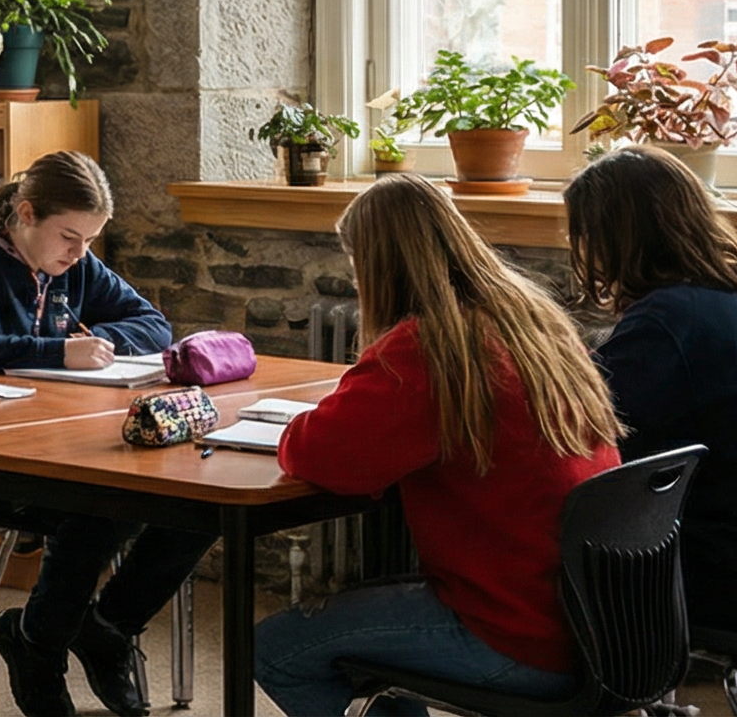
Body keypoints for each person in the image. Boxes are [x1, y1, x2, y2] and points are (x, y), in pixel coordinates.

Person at [256, 174, 623, 716]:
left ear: (376, 266)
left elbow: (320, 456)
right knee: (369, 628)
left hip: (514, 628)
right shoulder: (531, 320)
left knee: (277, 650)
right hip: (594, 619)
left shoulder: (428, 349)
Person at [0, 150, 205, 717]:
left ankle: (102, 628)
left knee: (187, 500)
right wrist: (58, 351)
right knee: (95, 510)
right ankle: (42, 653)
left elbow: (152, 323)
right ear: (25, 213)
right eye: (70, 237)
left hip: (45, 441)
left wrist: (97, 342)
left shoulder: (73, 266)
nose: (79, 253)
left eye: (89, 241)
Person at [570, 145, 737, 634]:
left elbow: (577, 422)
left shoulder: (669, 320)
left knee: (543, 548)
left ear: (618, 236)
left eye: (585, 233)